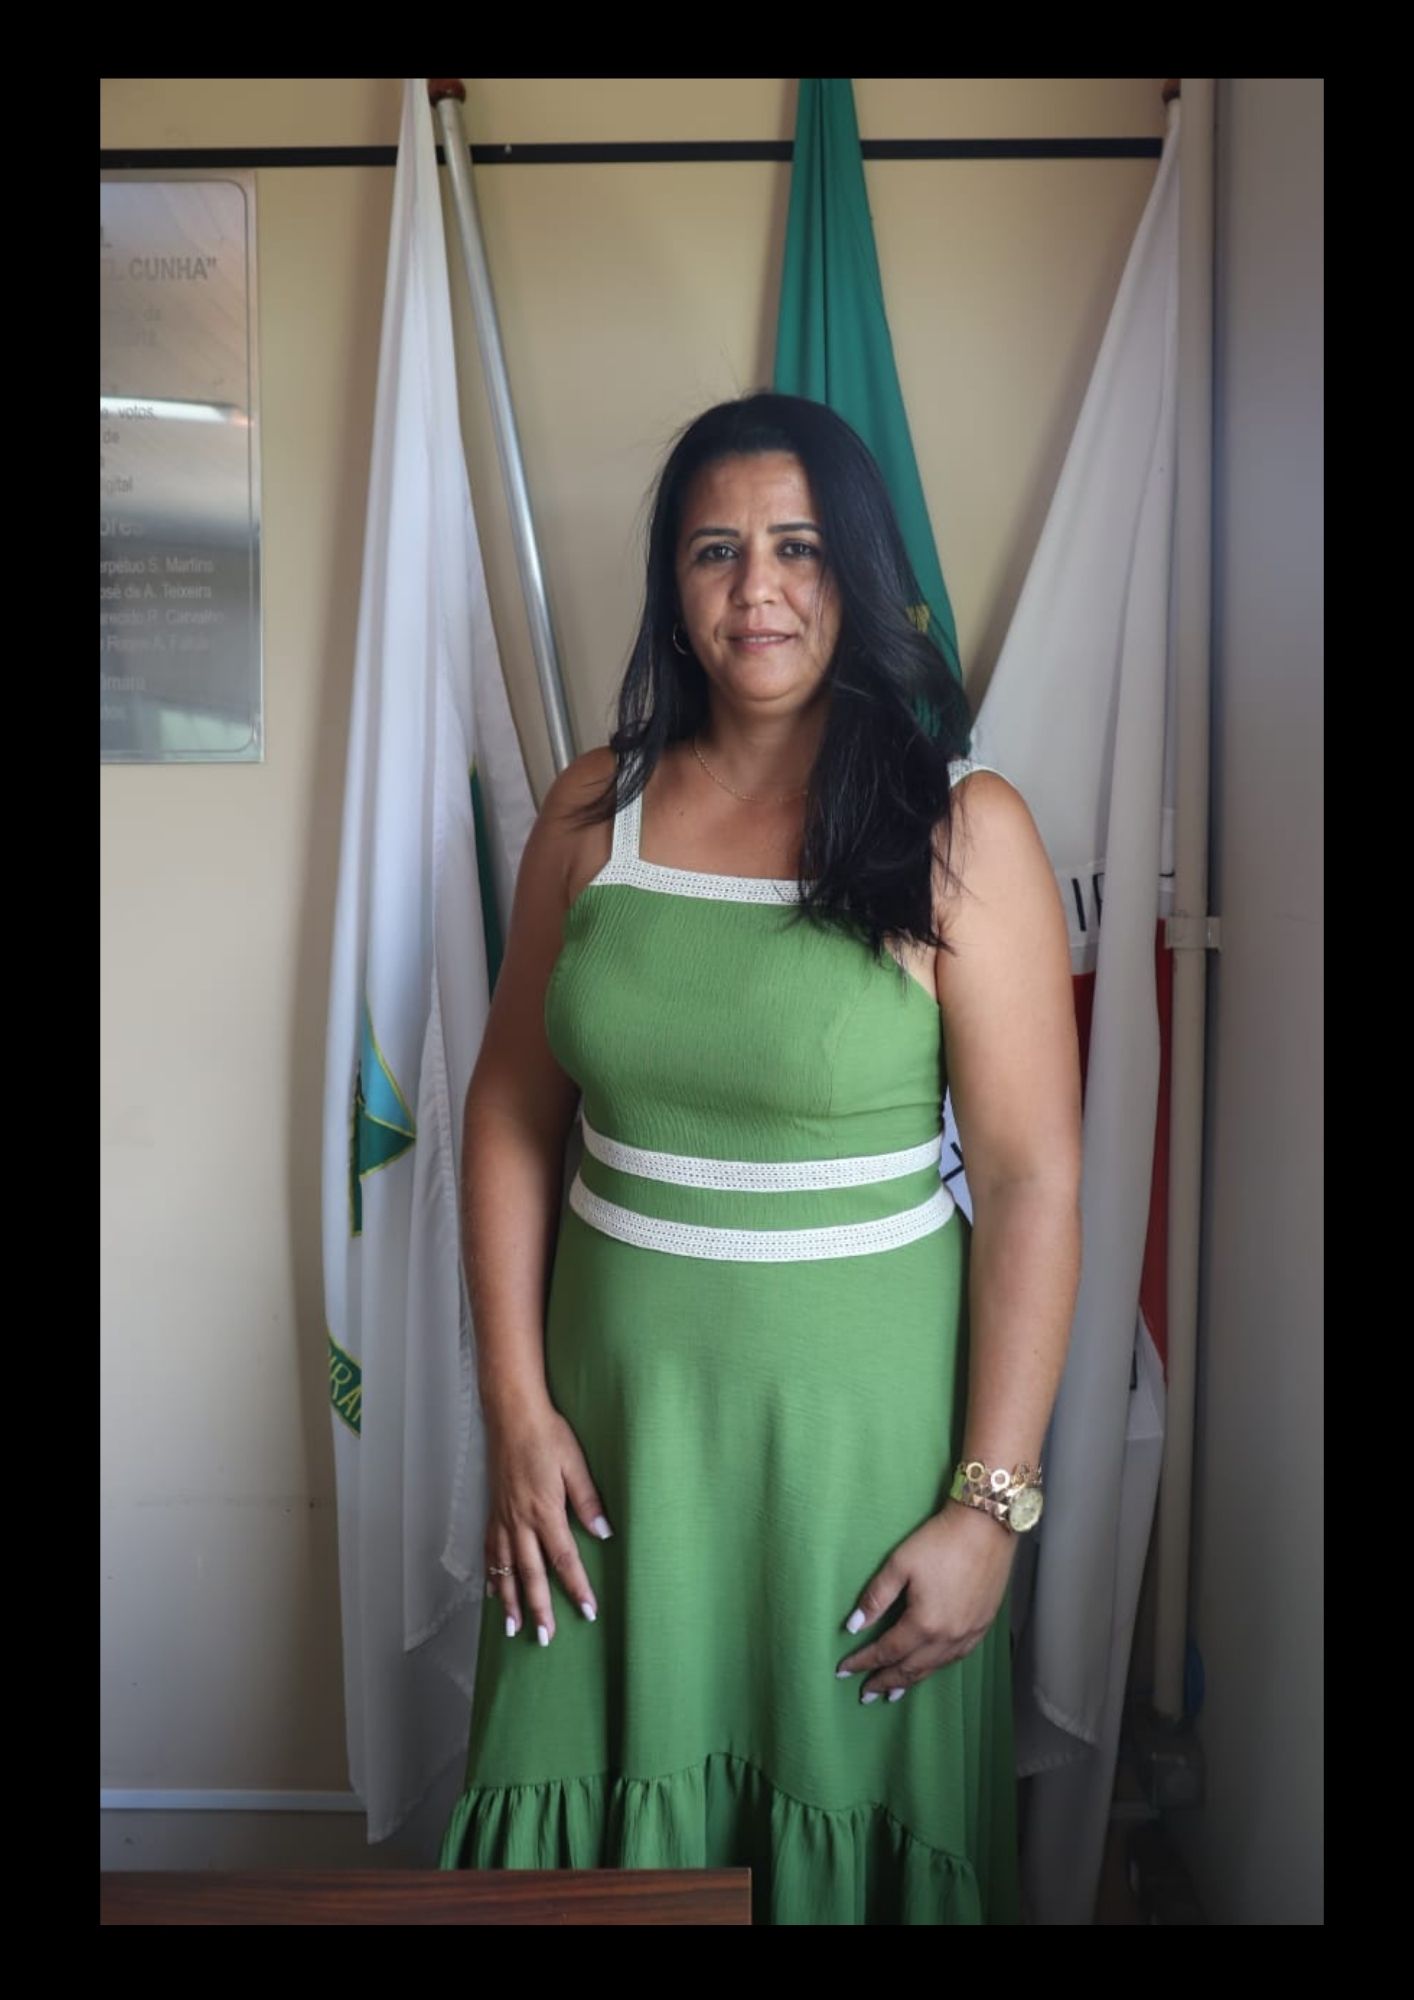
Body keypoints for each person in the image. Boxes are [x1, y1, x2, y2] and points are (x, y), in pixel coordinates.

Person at [437, 393, 1082, 1925]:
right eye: (714, 551)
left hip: (856, 1461)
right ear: (671, 584)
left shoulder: (963, 829)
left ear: (858, 572)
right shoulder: (590, 812)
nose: (756, 589)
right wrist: (513, 1412)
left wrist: (987, 1508)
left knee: (836, 1808)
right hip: (604, 1441)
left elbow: (1032, 1183)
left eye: (798, 547)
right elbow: (511, 1113)